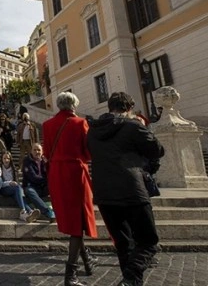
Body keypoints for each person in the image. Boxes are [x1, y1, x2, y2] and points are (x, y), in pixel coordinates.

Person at [87, 92, 165, 286]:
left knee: (123, 244)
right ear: (129, 108)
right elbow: (157, 150)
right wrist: (141, 127)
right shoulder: (132, 126)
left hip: (104, 192)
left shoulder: (93, 130)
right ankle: (131, 276)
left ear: (109, 107)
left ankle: (131, 282)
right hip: (132, 190)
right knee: (148, 242)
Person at [43, 92, 99, 286]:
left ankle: (88, 260)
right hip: (75, 172)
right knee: (79, 221)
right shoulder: (80, 123)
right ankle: (71, 275)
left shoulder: (47, 125)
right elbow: (88, 152)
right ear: (73, 105)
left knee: (73, 221)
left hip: (57, 174)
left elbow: (47, 151)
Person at [0, 151, 40, 223]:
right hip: (3, 189)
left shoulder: (13, 169)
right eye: (4, 158)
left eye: (8, 158)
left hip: (13, 189)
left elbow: (16, 182)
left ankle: (28, 214)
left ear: (10, 159)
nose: (6, 160)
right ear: (2, 159)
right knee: (17, 189)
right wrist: (10, 183)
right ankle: (25, 211)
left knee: (18, 193)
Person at [22, 144, 56, 222]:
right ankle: (48, 212)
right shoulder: (27, 161)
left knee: (55, 184)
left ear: (42, 151)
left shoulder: (45, 161)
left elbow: (52, 174)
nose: (37, 152)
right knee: (29, 191)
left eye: (39, 150)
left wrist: (48, 164)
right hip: (32, 187)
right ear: (31, 151)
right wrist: (47, 179)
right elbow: (33, 178)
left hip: (43, 187)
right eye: (35, 150)